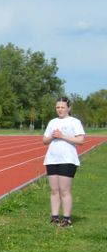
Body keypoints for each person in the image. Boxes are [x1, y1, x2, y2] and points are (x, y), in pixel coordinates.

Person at [42, 96, 86, 227]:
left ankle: (67, 219)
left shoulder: (74, 122)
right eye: (57, 107)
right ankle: (55, 217)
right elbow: (44, 141)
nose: (59, 109)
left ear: (68, 108)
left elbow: (81, 140)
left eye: (62, 107)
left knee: (64, 190)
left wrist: (63, 136)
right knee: (54, 190)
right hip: (52, 159)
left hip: (68, 160)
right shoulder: (52, 122)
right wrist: (52, 136)